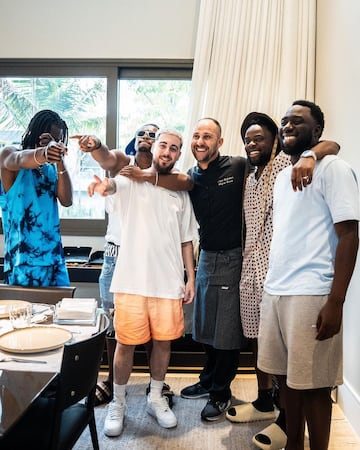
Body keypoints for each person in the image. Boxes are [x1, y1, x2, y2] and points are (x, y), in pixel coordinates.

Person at [224, 112, 339, 446]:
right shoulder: (251, 172)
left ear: (274, 140)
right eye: (247, 138)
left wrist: (312, 153)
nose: (252, 143)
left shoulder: (287, 165)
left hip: (288, 273)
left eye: (259, 137)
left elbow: (332, 144)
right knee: (263, 344)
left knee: (297, 367)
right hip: (257, 269)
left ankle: (288, 421)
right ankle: (263, 401)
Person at [255, 100, 359, 450]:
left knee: (314, 387)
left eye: (297, 121)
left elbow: (349, 234)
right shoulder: (285, 175)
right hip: (276, 291)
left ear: (316, 131)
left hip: (312, 293)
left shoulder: (334, 169)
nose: (287, 125)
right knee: (286, 381)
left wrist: (336, 301)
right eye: (284, 120)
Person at [87, 128, 198, 437]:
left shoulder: (180, 192)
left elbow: (186, 239)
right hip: (131, 282)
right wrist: (102, 185)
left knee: (163, 344)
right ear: (154, 147)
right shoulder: (130, 180)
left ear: (178, 154)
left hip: (168, 283)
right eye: (163, 144)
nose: (167, 151)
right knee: (125, 345)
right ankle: (118, 403)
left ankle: (155, 397)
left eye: (174, 148)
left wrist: (191, 277)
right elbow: (111, 185)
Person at [180, 117, 248, 421]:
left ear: (219, 142)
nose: (200, 141)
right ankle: (208, 381)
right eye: (196, 136)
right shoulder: (191, 177)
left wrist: (314, 153)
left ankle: (221, 393)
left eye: (207, 136)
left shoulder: (237, 167)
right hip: (205, 256)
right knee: (205, 327)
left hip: (234, 257)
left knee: (226, 331)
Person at [0, 109, 72, 286]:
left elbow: (67, 200)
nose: (55, 144)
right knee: (25, 314)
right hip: (23, 262)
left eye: (59, 140)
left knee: (62, 313)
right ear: (35, 134)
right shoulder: (9, 155)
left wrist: (59, 160)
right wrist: (44, 152)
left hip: (54, 259)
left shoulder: (51, 169)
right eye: (50, 138)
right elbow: (19, 159)